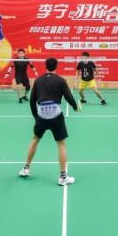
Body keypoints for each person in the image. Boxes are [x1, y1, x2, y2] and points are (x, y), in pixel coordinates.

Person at [19, 57, 79, 186]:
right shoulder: (61, 80)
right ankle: (63, 177)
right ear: (56, 67)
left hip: (41, 115)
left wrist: (36, 117)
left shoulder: (38, 80)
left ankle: (25, 169)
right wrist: (75, 106)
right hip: (56, 115)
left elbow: (32, 101)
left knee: (35, 139)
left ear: (45, 67)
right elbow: (68, 96)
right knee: (61, 144)